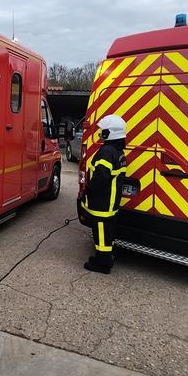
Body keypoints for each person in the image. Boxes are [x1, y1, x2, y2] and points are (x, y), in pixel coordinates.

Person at [79, 114, 127, 273]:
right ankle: (106, 257)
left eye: (103, 131)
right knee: (107, 232)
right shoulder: (118, 151)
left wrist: (87, 191)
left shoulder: (106, 152)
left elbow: (101, 177)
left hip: (103, 201)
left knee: (101, 232)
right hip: (111, 202)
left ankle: (102, 264)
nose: (100, 133)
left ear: (110, 133)